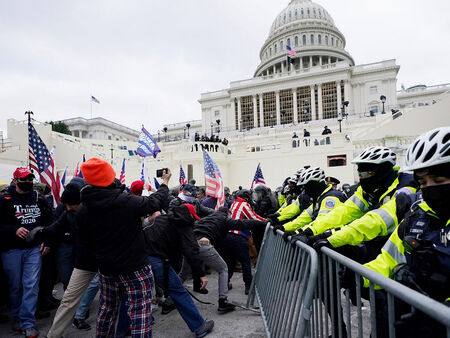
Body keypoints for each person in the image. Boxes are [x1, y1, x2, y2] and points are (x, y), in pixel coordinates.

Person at [361, 126, 450, 338]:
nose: (430, 188)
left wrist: (440, 316)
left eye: (438, 181)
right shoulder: (416, 216)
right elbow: (388, 260)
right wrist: (358, 276)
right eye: (423, 182)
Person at [77, 158, 170, 337]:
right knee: (140, 312)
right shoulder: (125, 201)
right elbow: (154, 202)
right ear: (109, 177)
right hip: (135, 267)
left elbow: (85, 241)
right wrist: (165, 183)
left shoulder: (83, 208)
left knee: (107, 309)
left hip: (106, 268)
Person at [144, 204, 214, 337]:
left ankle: (124, 328)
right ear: (189, 216)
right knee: (179, 292)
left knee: (134, 295)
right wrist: (201, 274)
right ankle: (199, 326)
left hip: (139, 258)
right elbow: (191, 251)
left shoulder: (162, 218)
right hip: (156, 261)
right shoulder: (184, 224)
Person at [0, 168, 53, 338]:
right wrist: (13, 229)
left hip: (33, 249)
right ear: (15, 180)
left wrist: (47, 241)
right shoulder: (4, 200)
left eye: (30, 179)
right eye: (24, 179)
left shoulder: (39, 198)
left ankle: (28, 322)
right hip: (11, 250)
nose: (28, 182)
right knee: (16, 286)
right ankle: (17, 318)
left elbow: (49, 223)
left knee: (31, 285)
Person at [181, 207, 266, 309]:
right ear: (228, 214)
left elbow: (203, 211)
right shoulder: (225, 219)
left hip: (188, 244)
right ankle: (223, 301)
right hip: (203, 244)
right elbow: (243, 224)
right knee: (223, 269)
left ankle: (170, 298)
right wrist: (262, 223)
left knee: (183, 273)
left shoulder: (206, 218)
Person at [275, 167, 346, 242]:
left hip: (340, 243)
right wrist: (284, 227)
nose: (305, 191)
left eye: (306, 187)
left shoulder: (331, 198)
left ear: (314, 185)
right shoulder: (319, 198)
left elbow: (322, 222)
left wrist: (300, 232)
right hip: (328, 239)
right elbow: (303, 219)